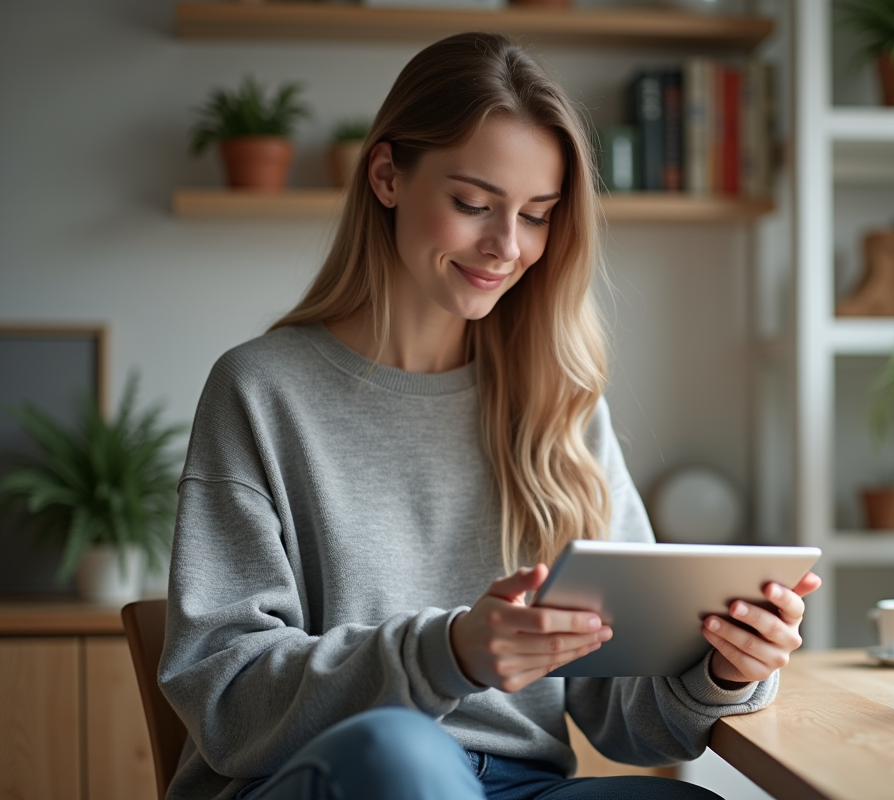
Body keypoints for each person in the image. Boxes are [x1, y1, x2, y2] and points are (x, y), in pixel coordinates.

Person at [159, 31, 821, 800]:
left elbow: (630, 720)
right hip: (344, 777)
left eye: (537, 215)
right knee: (403, 762)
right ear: (386, 176)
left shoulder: (560, 404)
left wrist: (723, 669)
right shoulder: (260, 391)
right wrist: (450, 652)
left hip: (518, 785)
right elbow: (226, 704)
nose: (506, 246)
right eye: (473, 204)